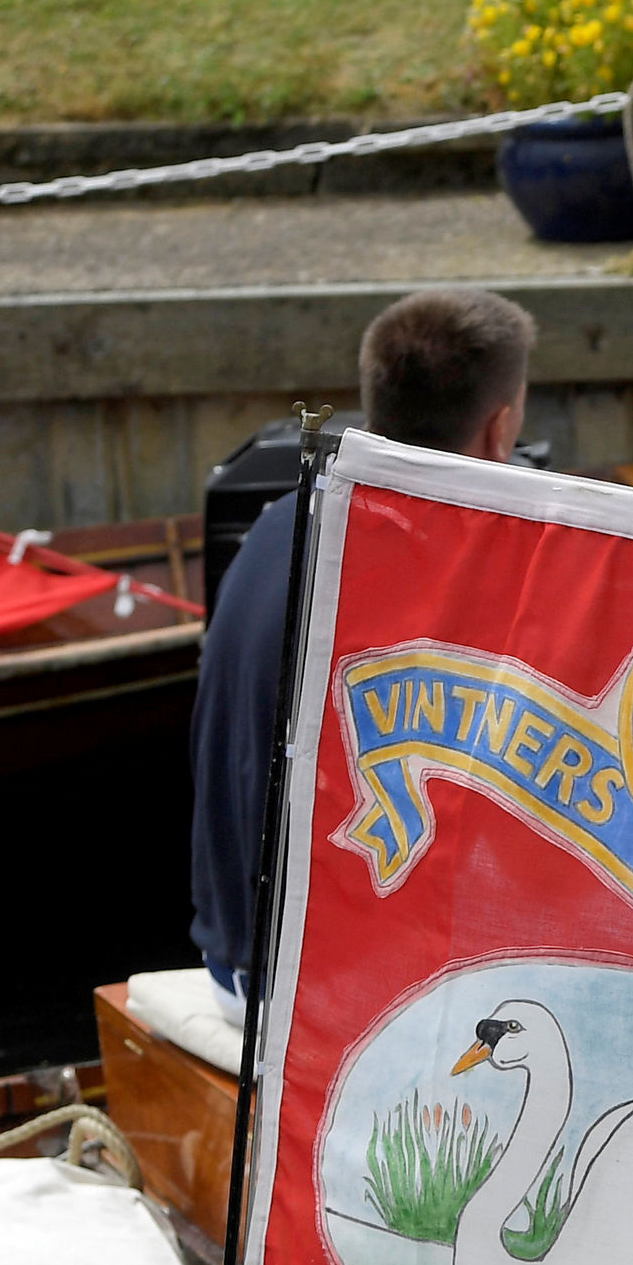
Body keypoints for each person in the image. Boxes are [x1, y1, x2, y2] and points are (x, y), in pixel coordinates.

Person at [190, 287, 540, 1003]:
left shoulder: (277, 522)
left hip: (232, 961)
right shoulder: (454, 569)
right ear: (500, 429)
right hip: (312, 996)